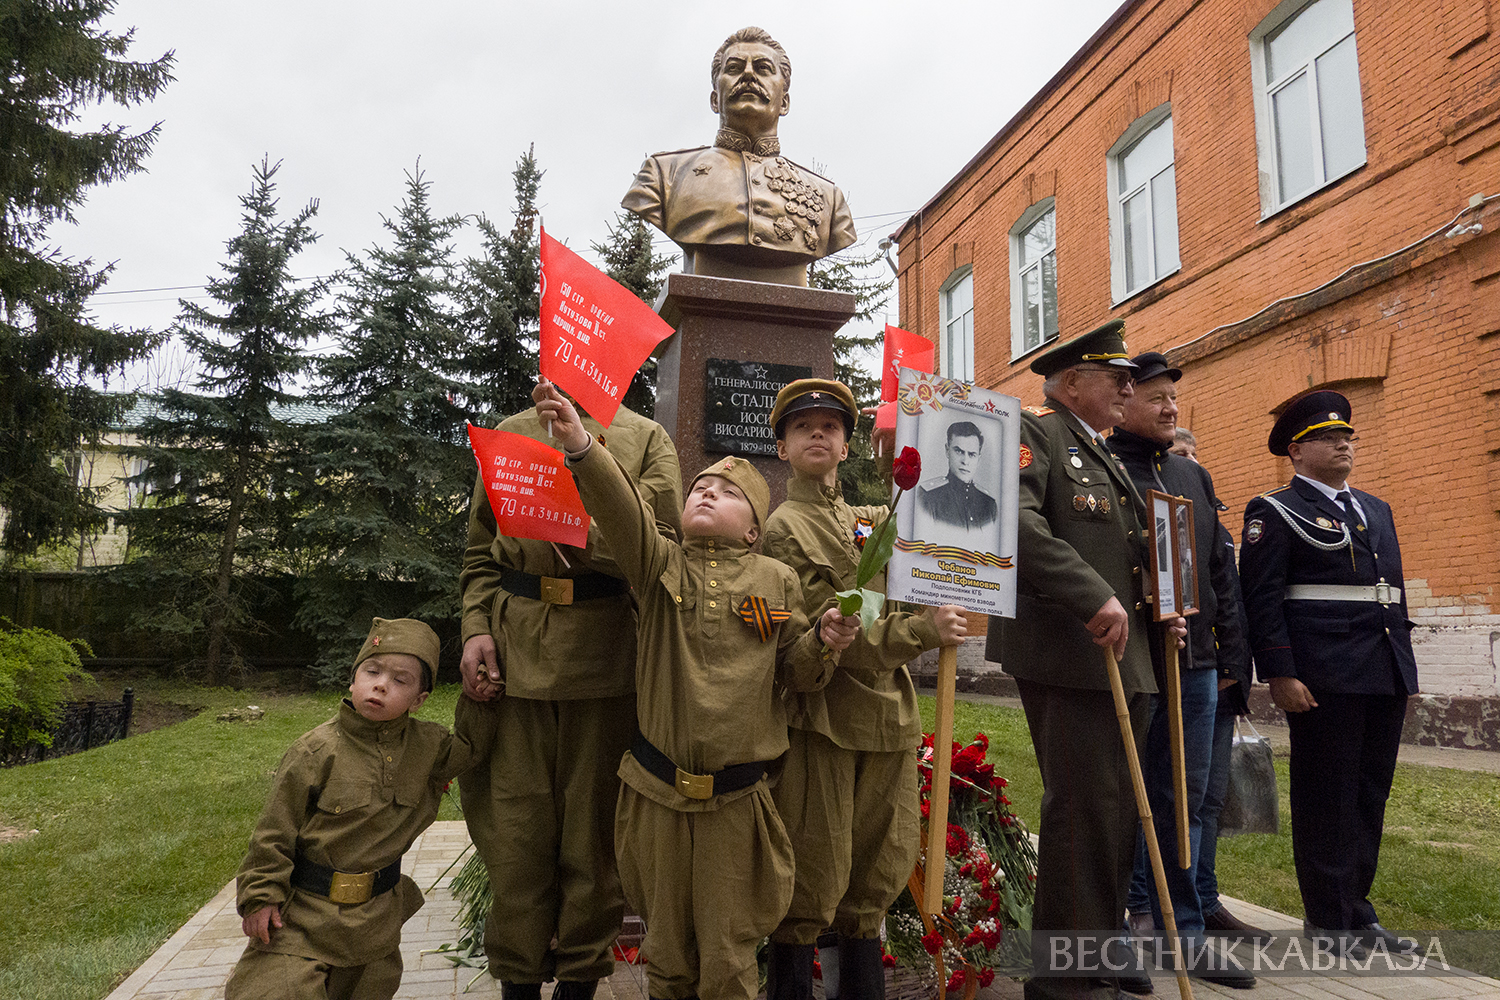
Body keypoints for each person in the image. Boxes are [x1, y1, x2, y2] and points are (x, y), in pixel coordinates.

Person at [533, 377, 861, 1000]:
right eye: (699, 489)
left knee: (728, 960)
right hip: (656, 799)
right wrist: (582, 448)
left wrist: (826, 640)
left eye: (729, 493)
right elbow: (624, 514)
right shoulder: (661, 566)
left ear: (754, 530)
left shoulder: (778, 580)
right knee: (667, 958)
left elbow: (796, 670)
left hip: (736, 808)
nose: (708, 492)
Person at [983, 320, 1184, 1000]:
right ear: (1072, 382)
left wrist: (1164, 603)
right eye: (1117, 378)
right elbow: (1014, 521)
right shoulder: (1036, 433)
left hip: (1119, 656)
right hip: (1065, 652)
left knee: (1115, 814)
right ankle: (1063, 980)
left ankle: (1093, 954)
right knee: (1082, 811)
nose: (1130, 388)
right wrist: (1091, 593)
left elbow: (1124, 550)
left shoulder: (1097, 450)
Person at [456, 397, 681, 1000]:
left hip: (605, 661)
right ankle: (518, 979)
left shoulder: (646, 439)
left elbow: (656, 548)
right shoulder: (511, 434)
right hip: (514, 659)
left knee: (594, 837)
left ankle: (580, 979)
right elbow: (481, 554)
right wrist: (476, 628)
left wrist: (569, 516)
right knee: (515, 834)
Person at [759, 378, 968, 1000]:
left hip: (889, 720)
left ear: (846, 447)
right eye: (803, 428)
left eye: (830, 427)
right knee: (812, 871)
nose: (818, 434)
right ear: (782, 448)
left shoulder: (872, 520)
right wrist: (923, 631)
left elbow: (930, 534)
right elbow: (833, 633)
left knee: (876, 874)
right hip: (826, 720)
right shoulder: (784, 529)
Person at [1239, 390, 1421, 959]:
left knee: (1368, 795)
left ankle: (1358, 913)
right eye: (1327, 437)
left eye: (1347, 436)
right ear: (1296, 450)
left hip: (1383, 668)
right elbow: (1262, 598)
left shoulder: (1375, 508)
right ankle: (1328, 919)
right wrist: (1279, 672)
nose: (1343, 444)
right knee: (1327, 797)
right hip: (1323, 676)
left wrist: (1402, 666)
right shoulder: (1275, 510)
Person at [227, 618, 495, 1000]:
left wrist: (477, 699)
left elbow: (470, 748)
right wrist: (260, 895)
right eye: (372, 671)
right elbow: (274, 831)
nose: (381, 684)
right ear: (353, 680)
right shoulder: (315, 751)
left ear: (419, 700)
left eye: (400, 680)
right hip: (303, 919)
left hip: (375, 926)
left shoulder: (428, 747)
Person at [1106, 352, 1254, 990]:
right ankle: (1118, 927)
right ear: (1125, 400)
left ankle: (1182, 932)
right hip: (1131, 661)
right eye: (1157, 397)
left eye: (1174, 398)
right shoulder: (1104, 465)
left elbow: (1220, 573)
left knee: (1184, 801)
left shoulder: (1192, 474)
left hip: (1194, 663)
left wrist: (1227, 659)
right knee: (1122, 797)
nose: (1170, 408)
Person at [621, 26, 856, 287]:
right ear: (714, 100)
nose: (748, 74)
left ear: (784, 102)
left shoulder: (829, 198)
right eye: (734, 68)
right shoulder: (664, 174)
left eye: (763, 68)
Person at [915, 419, 999, 534]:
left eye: (972, 454)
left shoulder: (989, 504)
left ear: (978, 458)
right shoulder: (928, 496)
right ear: (947, 451)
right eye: (959, 451)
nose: (965, 461)